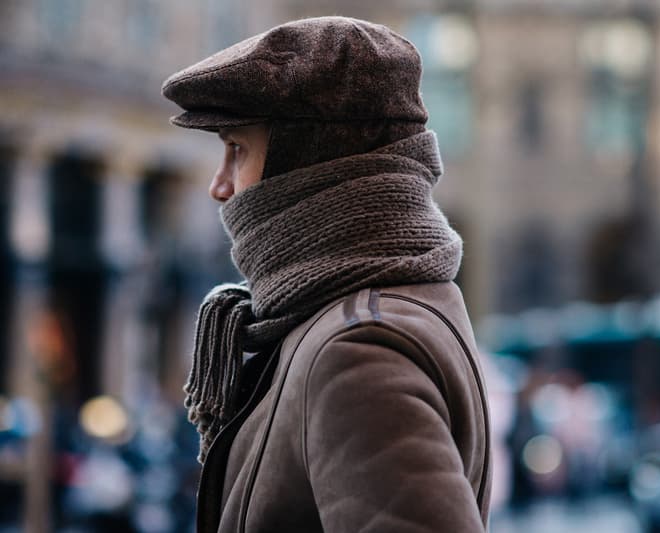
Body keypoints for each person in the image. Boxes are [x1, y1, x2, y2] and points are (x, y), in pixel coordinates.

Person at [161, 16, 491, 532]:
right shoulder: (371, 306)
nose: (220, 186)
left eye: (237, 149)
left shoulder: (358, 347)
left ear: (307, 163)